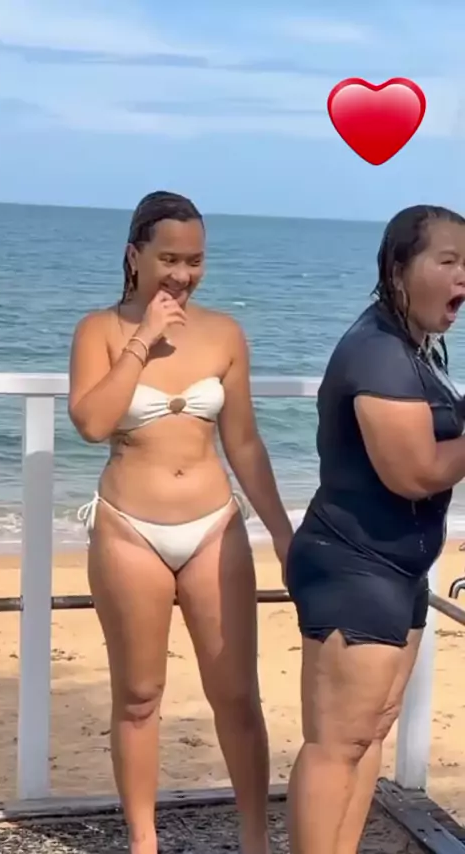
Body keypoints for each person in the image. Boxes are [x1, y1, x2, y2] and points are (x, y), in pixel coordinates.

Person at [68, 190, 293, 854]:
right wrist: (142, 340)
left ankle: (255, 839)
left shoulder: (224, 334)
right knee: (139, 696)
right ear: (134, 256)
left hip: (214, 527)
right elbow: (91, 423)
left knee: (237, 695)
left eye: (195, 261)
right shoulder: (98, 331)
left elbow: (244, 444)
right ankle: (144, 842)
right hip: (128, 529)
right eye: (169, 259)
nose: (183, 275)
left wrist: (283, 533)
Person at [285, 204, 465, 854]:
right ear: (397, 269)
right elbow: (415, 473)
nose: (463, 277)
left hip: (399, 568)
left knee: (371, 731)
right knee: (336, 744)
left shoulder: (417, 348)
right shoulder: (378, 351)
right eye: (448, 261)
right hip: (352, 565)